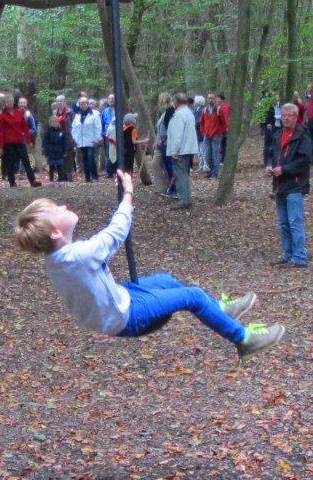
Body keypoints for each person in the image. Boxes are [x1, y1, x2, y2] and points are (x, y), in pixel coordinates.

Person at [14, 172, 286, 360]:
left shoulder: (60, 258)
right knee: (193, 296)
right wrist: (129, 193)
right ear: (54, 233)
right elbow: (116, 231)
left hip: (120, 299)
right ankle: (244, 339)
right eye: (57, 211)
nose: (63, 206)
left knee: (166, 280)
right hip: (126, 316)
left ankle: (220, 310)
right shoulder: (80, 256)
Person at [264, 103, 313, 267]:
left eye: (289, 115)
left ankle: (299, 257)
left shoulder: (302, 137)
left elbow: (304, 160)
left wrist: (284, 169)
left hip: (295, 185)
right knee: (284, 223)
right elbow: (271, 153)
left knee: (295, 222)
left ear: (295, 117)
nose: (286, 118)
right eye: (284, 115)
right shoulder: (278, 135)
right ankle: (288, 254)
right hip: (279, 185)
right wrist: (270, 166)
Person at [0, 95, 41, 187]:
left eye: (11, 101)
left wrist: (29, 141)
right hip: (8, 142)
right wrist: (0, 147)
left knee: (26, 160)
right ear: (5, 104)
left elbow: (25, 127)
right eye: (7, 102)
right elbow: (1, 132)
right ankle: (12, 182)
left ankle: (32, 181)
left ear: (13, 102)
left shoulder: (18, 112)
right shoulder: (2, 116)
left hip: (20, 140)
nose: (9, 103)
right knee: (11, 161)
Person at [166, 94, 200, 209]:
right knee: (183, 174)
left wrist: (174, 150)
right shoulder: (188, 112)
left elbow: (177, 134)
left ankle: (183, 200)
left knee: (180, 175)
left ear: (176, 102)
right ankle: (187, 198)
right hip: (187, 148)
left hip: (181, 150)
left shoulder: (179, 115)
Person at [71, 96, 102, 183]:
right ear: (79, 105)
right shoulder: (77, 115)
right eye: (81, 104)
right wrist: (75, 139)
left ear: (88, 104)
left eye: (85, 103)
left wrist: (96, 139)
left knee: (91, 157)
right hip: (81, 141)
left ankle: (95, 176)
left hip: (91, 140)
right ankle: (87, 177)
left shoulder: (95, 114)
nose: (83, 105)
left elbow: (98, 127)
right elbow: (74, 128)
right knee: (84, 159)